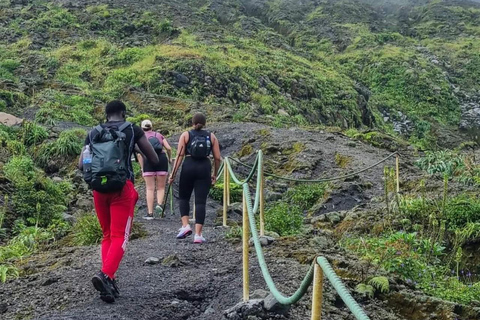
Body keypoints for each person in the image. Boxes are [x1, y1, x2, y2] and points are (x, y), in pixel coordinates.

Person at [78, 100, 159, 303]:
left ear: (106, 115)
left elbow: (82, 164)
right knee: (120, 236)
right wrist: (135, 151)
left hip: (98, 189)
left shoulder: (94, 132)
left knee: (107, 235)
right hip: (122, 188)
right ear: (123, 113)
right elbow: (154, 158)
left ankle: (108, 280)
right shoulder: (132, 129)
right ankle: (105, 274)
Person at [168, 112, 221, 243]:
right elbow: (218, 158)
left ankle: (185, 226)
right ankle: (198, 235)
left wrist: (173, 174)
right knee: (201, 202)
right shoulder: (211, 136)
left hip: (189, 165)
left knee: (184, 197)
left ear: (192, 123)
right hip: (204, 167)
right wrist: (214, 174)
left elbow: (180, 155)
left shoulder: (186, 135)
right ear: (205, 124)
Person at [137, 119, 172, 220]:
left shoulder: (141, 138)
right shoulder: (158, 135)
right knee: (161, 187)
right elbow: (169, 148)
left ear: (142, 128)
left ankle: (150, 213)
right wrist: (169, 158)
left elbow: (139, 154)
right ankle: (159, 207)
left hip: (148, 161)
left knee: (149, 188)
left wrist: (142, 167)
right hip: (161, 160)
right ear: (151, 126)